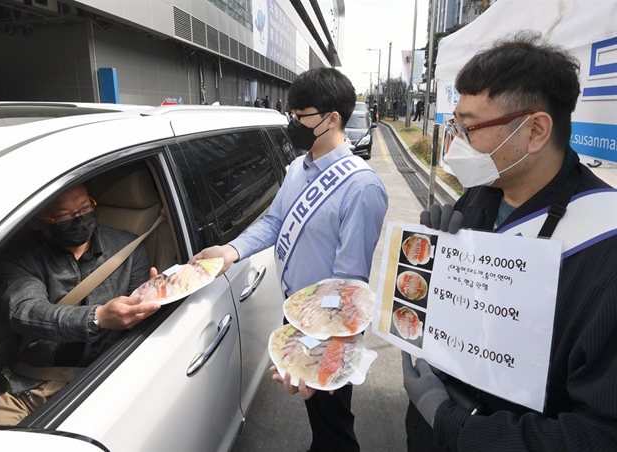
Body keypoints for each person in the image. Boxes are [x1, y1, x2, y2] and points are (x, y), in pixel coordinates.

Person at [402, 31, 617, 451]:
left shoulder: (604, 250)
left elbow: (598, 436)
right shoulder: (480, 193)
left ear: (535, 130)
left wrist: (454, 425)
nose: (455, 143)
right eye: (454, 124)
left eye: (469, 128)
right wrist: (435, 260)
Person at [191, 67, 388, 452]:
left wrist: (317, 347)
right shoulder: (298, 169)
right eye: (290, 113)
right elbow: (274, 221)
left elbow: (347, 286)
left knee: (334, 425)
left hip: (330, 327)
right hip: (297, 312)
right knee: (320, 420)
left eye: (301, 115)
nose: (292, 122)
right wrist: (231, 251)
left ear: (331, 119)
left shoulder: (362, 187)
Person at [0, 184, 161, 438]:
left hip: (103, 383)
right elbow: (26, 310)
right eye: (64, 215)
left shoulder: (129, 248)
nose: (78, 218)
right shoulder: (19, 256)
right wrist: (97, 318)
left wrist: (158, 294)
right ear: (38, 221)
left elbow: (137, 316)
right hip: (28, 385)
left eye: (85, 207)